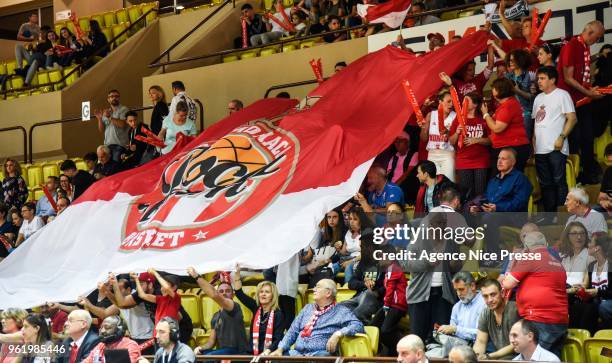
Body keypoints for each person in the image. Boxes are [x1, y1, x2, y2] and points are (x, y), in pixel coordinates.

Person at [406, 199, 464, 342]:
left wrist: (455, 264)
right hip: (420, 295)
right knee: (417, 339)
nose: (441, 227)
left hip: (443, 295)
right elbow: (405, 263)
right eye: (437, 223)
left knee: (441, 338)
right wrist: (426, 262)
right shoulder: (418, 240)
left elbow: (455, 266)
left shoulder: (451, 240)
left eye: (443, 223)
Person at [502, 232, 568, 357]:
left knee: (532, 358)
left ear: (526, 248)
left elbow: (507, 283)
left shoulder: (531, 257)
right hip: (561, 321)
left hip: (539, 319)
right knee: (550, 358)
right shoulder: (558, 263)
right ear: (547, 245)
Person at [557, 21, 605, 184]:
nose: (596, 41)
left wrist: (591, 87)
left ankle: (588, 171)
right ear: (590, 32)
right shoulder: (572, 46)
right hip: (570, 102)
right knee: (575, 139)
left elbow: (580, 76)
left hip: (582, 100)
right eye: (597, 37)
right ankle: (575, 176)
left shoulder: (584, 46)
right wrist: (589, 92)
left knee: (588, 137)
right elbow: (568, 78)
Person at [270, 278, 364, 356]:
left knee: (324, 357)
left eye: (318, 287)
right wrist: (280, 348)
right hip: (297, 354)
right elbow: (292, 331)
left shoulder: (341, 311)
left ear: (328, 293)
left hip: (319, 355)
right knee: (278, 358)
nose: (314, 289)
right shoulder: (307, 308)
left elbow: (358, 325)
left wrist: (339, 333)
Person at [533, 66, 577, 213]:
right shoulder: (538, 98)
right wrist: (534, 145)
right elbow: (536, 123)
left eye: (542, 78)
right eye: (538, 78)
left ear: (552, 80)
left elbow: (572, 118)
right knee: (545, 184)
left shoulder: (562, 95)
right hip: (539, 149)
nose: (539, 81)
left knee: (559, 182)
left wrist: (562, 137)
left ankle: (562, 215)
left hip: (556, 147)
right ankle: (549, 216)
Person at [188, 267, 248, 355]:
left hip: (237, 352)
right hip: (224, 352)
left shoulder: (234, 306)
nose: (224, 293)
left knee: (209, 357)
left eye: (227, 291)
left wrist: (196, 276)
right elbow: (210, 343)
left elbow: (214, 294)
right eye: (221, 291)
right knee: (199, 354)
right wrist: (200, 348)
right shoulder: (215, 316)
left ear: (233, 295)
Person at [232, 265, 284, 355]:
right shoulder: (256, 308)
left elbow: (278, 339)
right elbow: (239, 293)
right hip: (252, 353)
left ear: (273, 296)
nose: (263, 294)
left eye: (267, 292)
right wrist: (237, 274)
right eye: (261, 292)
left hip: (269, 354)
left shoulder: (278, 314)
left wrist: (267, 352)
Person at [481, 78, 530, 172]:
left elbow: (497, 128)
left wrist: (485, 114)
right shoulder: (507, 104)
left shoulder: (508, 106)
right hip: (506, 147)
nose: (492, 90)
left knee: (508, 179)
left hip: (511, 148)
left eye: (494, 88)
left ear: (500, 90)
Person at [448, 92, 490, 200]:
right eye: (463, 100)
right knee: (466, 194)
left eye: (467, 101)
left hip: (481, 161)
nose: (463, 103)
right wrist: (457, 132)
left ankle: (480, 216)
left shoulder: (483, 119)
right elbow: (451, 142)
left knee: (480, 194)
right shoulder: (458, 119)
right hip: (463, 161)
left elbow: (491, 141)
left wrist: (476, 140)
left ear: (475, 105)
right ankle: (467, 216)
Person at [569, 234, 610, 334]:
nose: (587, 244)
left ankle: (588, 338)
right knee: (576, 306)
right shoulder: (592, 266)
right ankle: (576, 338)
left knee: (597, 306)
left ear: (597, 248)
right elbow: (589, 289)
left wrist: (597, 292)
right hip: (597, 301)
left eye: (590, 242)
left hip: (607, 302)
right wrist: (582, 289)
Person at [371, 244, 407, 356]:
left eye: (381, 256)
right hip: (390, 304)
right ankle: (383, 351)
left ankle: (405, 347)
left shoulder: (394, 268)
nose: (379, 259)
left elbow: (390, 290)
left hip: (397, 305)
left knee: (385, 330)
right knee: (373, 325)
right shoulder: (389, 269)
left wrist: (386, 306)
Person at [434, 272, 486, 348]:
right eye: (456, 290)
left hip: (481, 348)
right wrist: (444, 330)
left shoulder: (484, 303)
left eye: (461, 289)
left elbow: (481, 334)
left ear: (472, 286)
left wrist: (455, 330)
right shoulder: (457, 307)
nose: (458, 294)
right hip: (459, 347)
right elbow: (452, 332)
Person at [473, 279, 520, 360]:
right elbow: (480, 341)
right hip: (498, 358)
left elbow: (517, 343)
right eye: (485, 296)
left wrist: (489, 356)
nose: (489, 300)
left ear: (502, 293)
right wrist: (475, 357)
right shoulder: (485, 313)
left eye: (493, 294)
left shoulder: (515, 310)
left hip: (518, 358)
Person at [420, 91, 456, 181]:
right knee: (431, 183)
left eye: (453, 102)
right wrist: (424, 127)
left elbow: (455, 141)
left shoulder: (455, 117)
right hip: (432, 153)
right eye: (448, 101)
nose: (451, 104)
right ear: (440, 101)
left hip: (447, 154)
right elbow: (424, 139)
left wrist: (447, 132)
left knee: (448, 182)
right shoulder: (431, 115)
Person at [95, 89, 129, 162]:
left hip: (119, 145)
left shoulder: (124, 109)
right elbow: (101, 130)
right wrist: (99, 119)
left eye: (116, 96)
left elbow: (122, 124)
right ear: (108, 99)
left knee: (116, 169)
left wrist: (109, 117)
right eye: (112, 96)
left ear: (119, 98)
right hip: (107, 146)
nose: (114, 98)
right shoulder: (107, 111)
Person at [560, 222, 590, 292]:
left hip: (577, 295)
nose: (579, 237)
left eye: (582, 233)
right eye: (574, 233)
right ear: (567, 236)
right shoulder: (564, 256)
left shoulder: (590, 255)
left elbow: (586, 284)